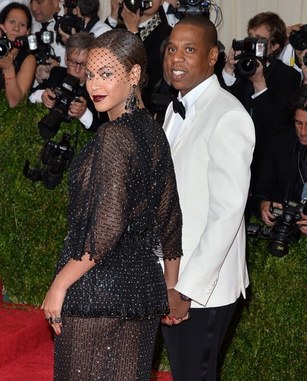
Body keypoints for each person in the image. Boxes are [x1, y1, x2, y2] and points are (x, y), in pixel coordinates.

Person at [42, 29, 183, 381]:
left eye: (106, 74)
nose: (94, 85)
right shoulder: (153, 132)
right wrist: (170, 287)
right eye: (90, 74)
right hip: (142, 295)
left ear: (133, 75)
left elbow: (106, 228)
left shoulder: (113, 135)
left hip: (95, 294)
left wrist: (59, 285)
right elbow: (170, 217)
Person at [160, 15, 255, 381]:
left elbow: (227, 213)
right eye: (171, 49)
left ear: (213, 56)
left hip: (203, 288)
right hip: (172, 277)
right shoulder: (174, 109)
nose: (176, 59)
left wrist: (186, 289)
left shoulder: (228, 115)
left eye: (189, 50)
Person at [220, 12, 301, 195]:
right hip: (233, 156)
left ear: (274, 46)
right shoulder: (241, 68)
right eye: (250, 37)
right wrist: (228, 68)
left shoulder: (288, 76)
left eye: (260, 40)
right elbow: (221, 101)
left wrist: (259, 84)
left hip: (265, 162)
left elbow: (277, 126)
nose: (252, 43)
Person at [253, 84, 307, 236]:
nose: (303, 132)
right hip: (281, 235)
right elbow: (261, 189)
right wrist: (263, 205)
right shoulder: (279, 141)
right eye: (299, 123)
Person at [29, 32, 104, 132]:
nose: (77, 69)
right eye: (73, 62)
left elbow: (103, 128)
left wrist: (83, 113)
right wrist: (43, 96)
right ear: (65, 58)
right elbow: (29, 98)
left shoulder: (98, 88)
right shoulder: (57, 73)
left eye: (83, 64)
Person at [106, 0, 172, 113]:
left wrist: (133, 31)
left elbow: (151, 75)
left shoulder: (167, 34)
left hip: (146, 106)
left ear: (161, 2)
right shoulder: (120, 27)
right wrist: (113, 17)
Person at [0, 2, 36, 107]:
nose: (16, 28)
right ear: (2, 25)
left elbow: (14, 103)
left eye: (22, 25)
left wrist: (9, 69)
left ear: (27, 32)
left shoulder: (28, 59)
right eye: (12, 22)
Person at [30, 0, 66, 84]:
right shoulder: (26, 25)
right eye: (31, 1)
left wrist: (58, 71)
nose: (33, 8)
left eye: (39, 2)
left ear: (55, 1)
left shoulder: (73, 25)